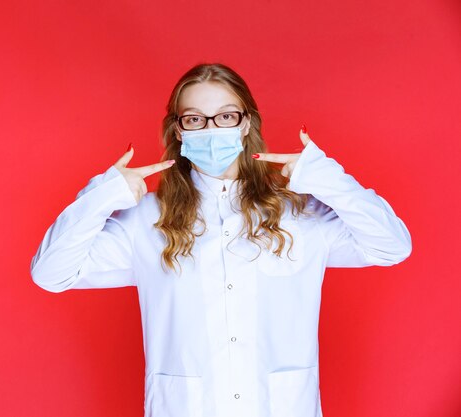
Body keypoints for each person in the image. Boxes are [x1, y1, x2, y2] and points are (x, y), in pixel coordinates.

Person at [30, 63, 412, 417]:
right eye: (195, 119)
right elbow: (50, 273)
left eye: (226, 116)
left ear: (246, 124)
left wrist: (326, 178)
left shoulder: (301, 214)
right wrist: (102, 195)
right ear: (179, 130)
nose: (212, 130)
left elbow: (392, 245)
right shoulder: (146, 220)